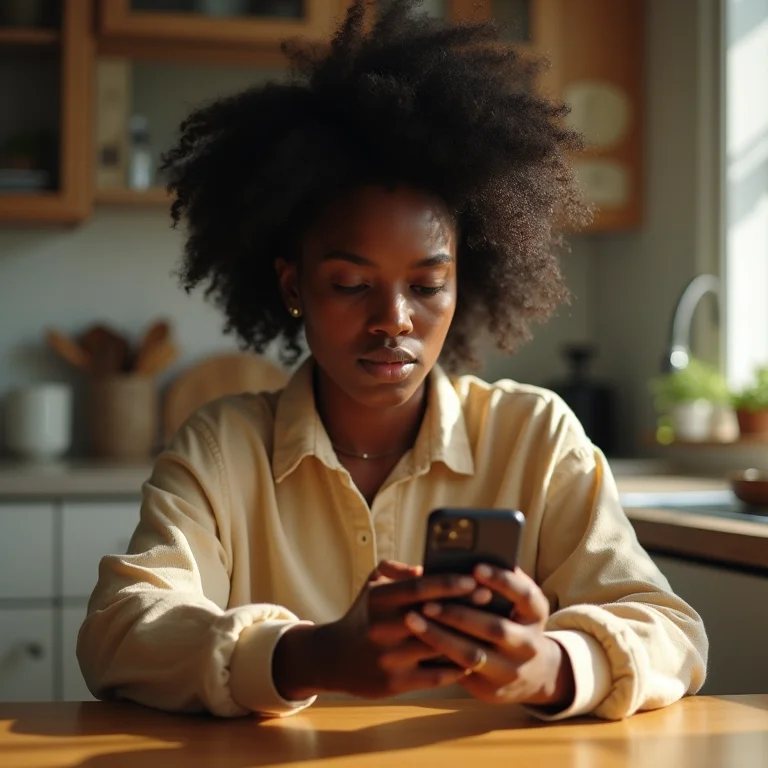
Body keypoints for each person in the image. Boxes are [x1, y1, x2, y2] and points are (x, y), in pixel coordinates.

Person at [77, 0, 707, 721]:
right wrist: (310, 655)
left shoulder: (535, 437)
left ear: (464, 280)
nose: (393, 321)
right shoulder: (222, 450)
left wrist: (554, 665)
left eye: (427, 284)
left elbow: (674, 633)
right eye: (350, 285)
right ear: (293, 285)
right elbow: (117, 634)